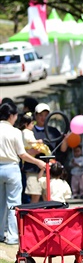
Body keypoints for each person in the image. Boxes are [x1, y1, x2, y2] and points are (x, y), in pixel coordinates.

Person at [0, 102, 46, 245]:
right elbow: (22, 154)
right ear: (11, 116)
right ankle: (13, 236)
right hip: (12, 168)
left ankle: (0, 233)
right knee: (13, 203)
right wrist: (38, 162)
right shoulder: (15, 132)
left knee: (0, 203)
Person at [23, 103, 68, 203]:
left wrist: (65, 139)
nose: (43, 118)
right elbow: (21, 150)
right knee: (35, 195)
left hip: (50, 170)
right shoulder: (29, 130)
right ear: (35, 115)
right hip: (33, 168)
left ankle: (47, 217)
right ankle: (33, 217)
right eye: (40, 115)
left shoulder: (54, 131)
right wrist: (31, 151)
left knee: (48, 196)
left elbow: (63, 149)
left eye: (45, 115)